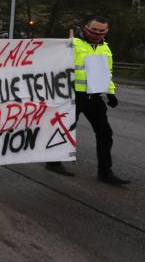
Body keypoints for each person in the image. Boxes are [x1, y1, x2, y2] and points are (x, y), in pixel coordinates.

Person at [46, 16, 130, 185]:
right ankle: (53, 162)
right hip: (72, 96)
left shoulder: (105, 48)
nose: (97, 34)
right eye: (94, 30)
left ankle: (105, 172)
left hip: (94, 97)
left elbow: (107, 73)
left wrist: (111, 93)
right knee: (64, 130)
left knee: (105, 134)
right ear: (85, 28)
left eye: (102, 31)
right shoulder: (71, 44)